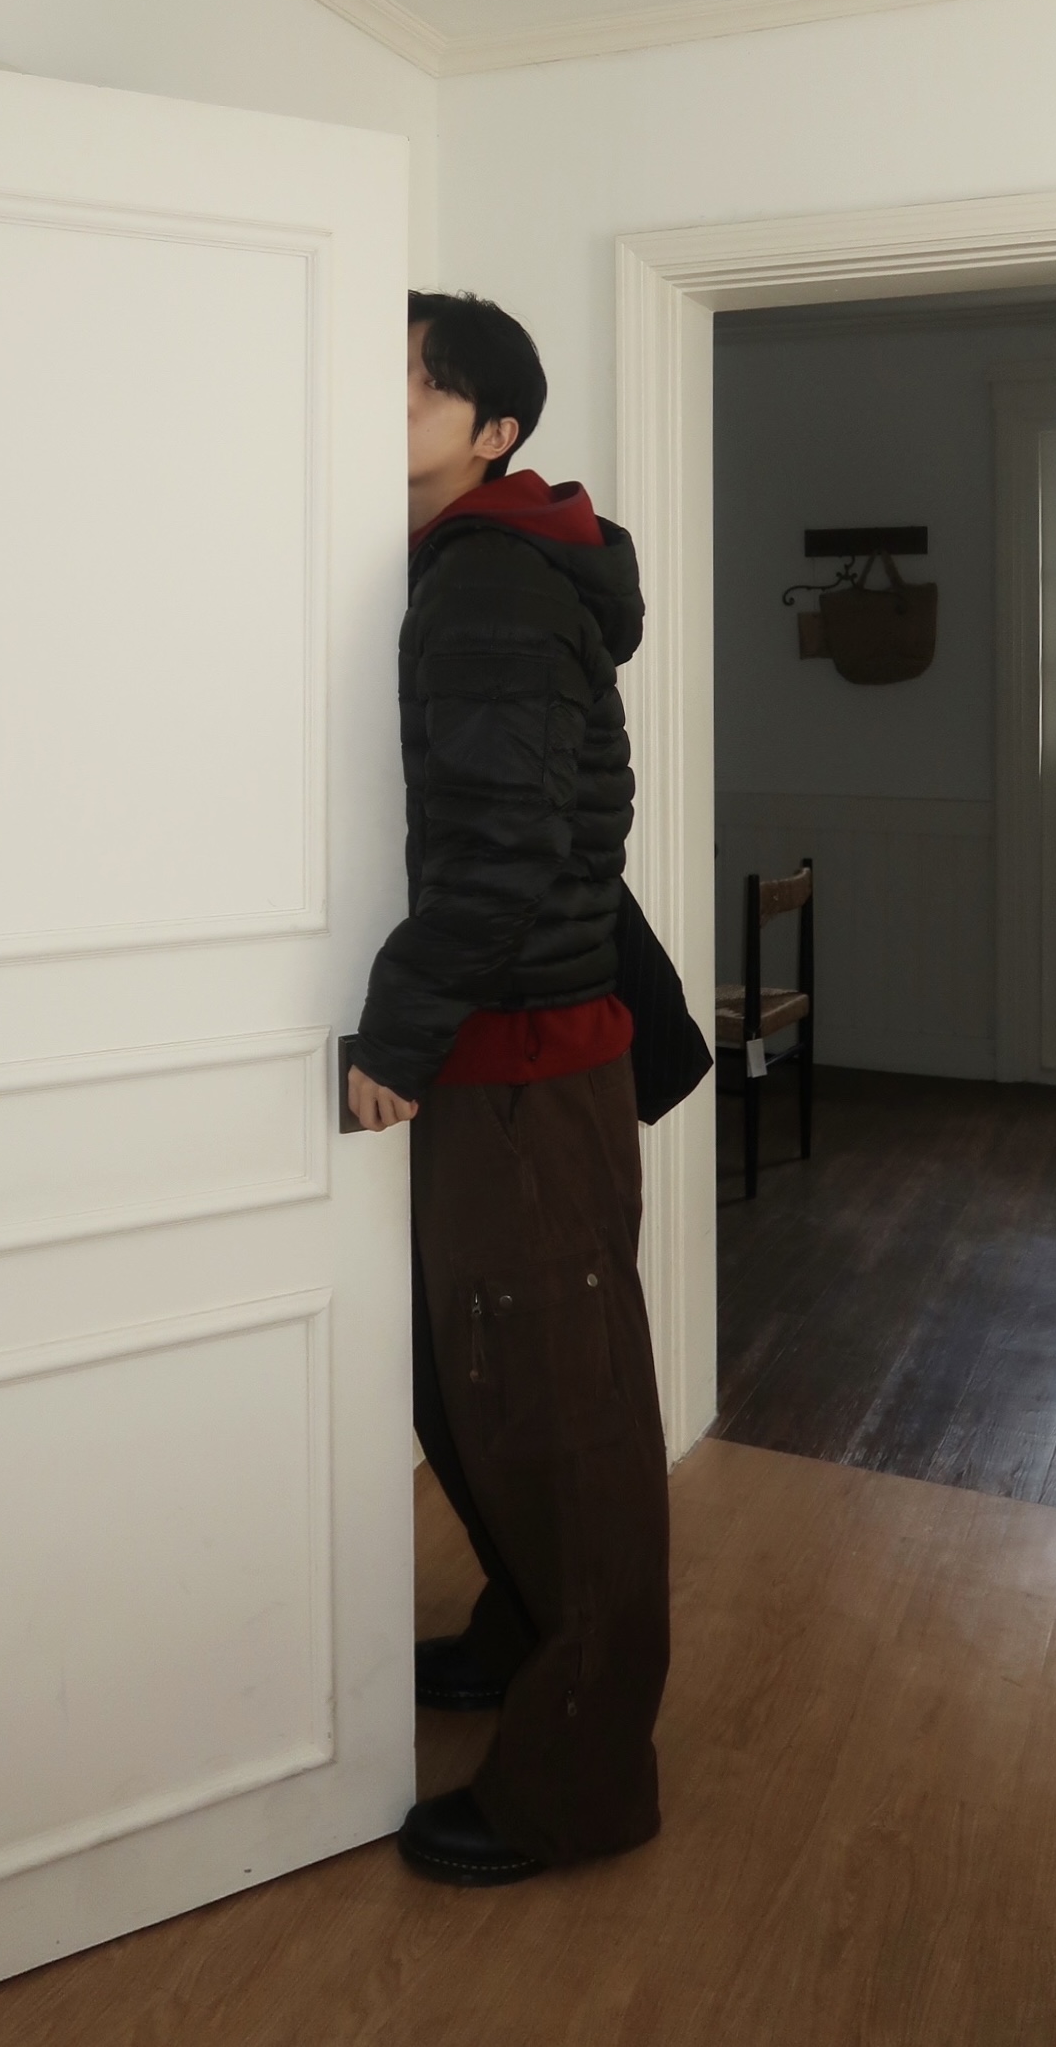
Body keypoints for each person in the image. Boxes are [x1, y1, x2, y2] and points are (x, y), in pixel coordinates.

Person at [348, 291, 671, 1887]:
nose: (380, 399)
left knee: (562, 1416)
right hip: (517, 1053)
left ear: (494, 431)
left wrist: (399, 1035)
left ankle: (581, 1778)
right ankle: (523, 1629)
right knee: (469, 1380)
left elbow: (504, 843)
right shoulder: (459, 564)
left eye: (415, 385)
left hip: (524, 1064)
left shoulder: (485, 580)